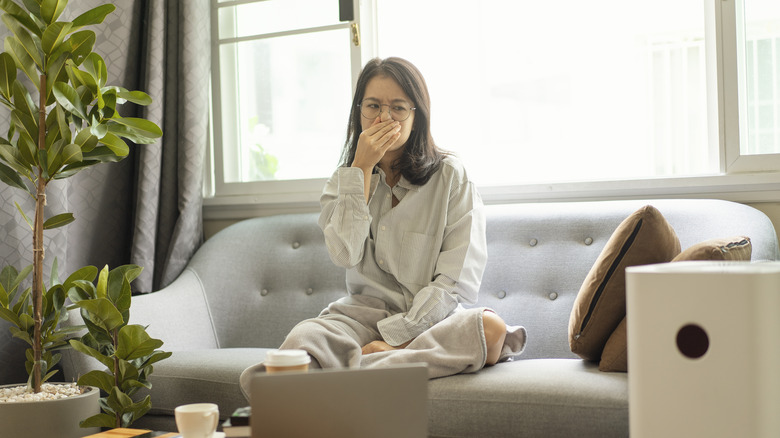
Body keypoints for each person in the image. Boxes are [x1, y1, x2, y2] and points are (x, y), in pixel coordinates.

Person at [240, 57, 525, 394]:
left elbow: (454, 284)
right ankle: (370, 368)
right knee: (304, 338)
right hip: (358, 320)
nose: (384, 118)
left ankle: (349, 371)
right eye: (373, 106)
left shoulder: (452, 176)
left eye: (398, 108)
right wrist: (360, 168)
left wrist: (398, 341)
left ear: (416, 116)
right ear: (358, 112)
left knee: (490, 330)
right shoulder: (341, 181)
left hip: (430, 321)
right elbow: (345, 253)